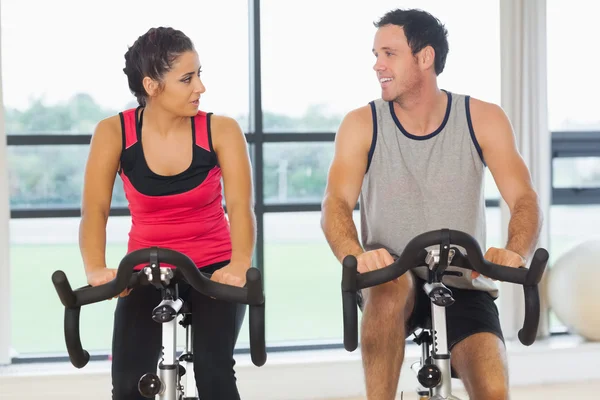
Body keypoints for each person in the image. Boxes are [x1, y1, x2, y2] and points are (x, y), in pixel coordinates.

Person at [321, 8, 542, 400]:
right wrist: (354, 254)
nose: (377, 65)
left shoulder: (483, 118)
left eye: (389, 54)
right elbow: (335, 203)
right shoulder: (362, 124)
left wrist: (515, 251)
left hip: (462, 280)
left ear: (425, 58)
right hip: (390, 276)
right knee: (389, 284)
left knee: (493, 389)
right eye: (375, 55)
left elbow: (524, 198)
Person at [79, 27, 256, 400]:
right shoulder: (114, 133)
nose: (201, 88)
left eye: (199, 74)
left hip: (214, 266)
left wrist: (239, 265)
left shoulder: (221, 130)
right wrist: (97, 269)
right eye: (188, 78)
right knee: (129, 382)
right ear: (152, 85)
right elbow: (94, 211)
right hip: (145, 269)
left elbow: (241, 208)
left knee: (214, 373)